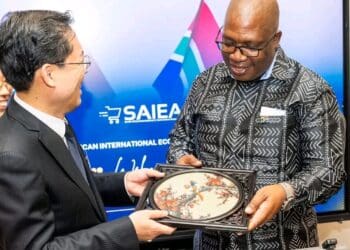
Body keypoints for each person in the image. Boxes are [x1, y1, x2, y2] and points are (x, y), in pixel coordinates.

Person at [167, 0, 346, 249]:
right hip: (210, 242)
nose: (237, 56)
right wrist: (180, 158)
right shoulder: (205, 83)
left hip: (283, 241)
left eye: (251, 47)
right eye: (228, 43)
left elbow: (330, 171)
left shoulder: (308, 90)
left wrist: (286, 191)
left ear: (276, 39)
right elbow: (180, 139)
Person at [0, 10, 175, 250]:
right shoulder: (11, 155)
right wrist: (128, 231)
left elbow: (65, 186)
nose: (85, 71)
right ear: (49, 75)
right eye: (81, 61)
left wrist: (123, 183)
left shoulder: (51, 118)